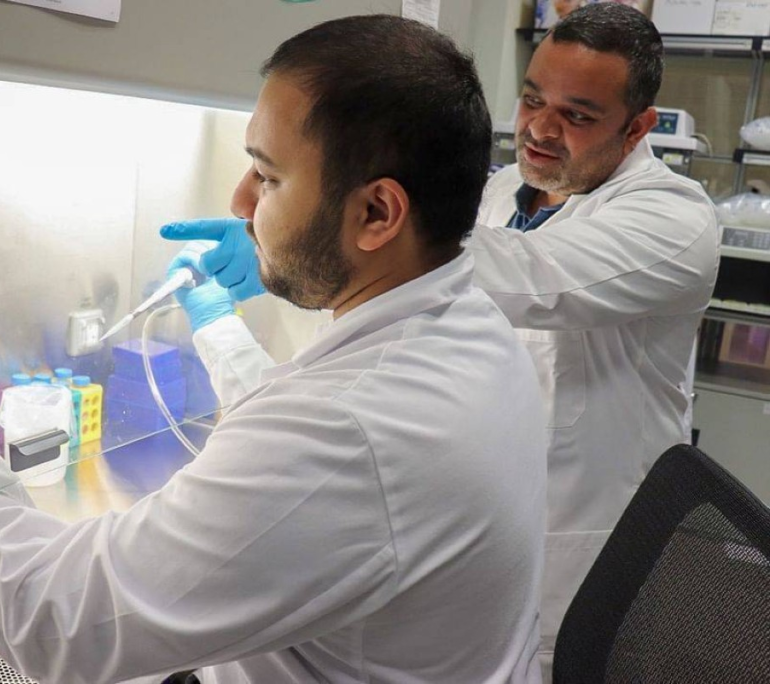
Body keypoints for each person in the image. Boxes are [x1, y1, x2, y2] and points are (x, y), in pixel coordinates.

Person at [0, 15, 548, 684]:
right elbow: (315, 446)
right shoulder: (475, 326)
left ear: (376, 214)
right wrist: (215, 321)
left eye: (268, 177)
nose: (240, 200)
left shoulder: (348, 433)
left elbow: (52, 618)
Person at [166, 5, 720, 678]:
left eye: (577, 115)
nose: (540, 129)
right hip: (474, 533)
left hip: (589, 549)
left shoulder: (676, 220)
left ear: (637, 127)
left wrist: (304, 236)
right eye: (532, 99)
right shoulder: (496, 194)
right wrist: (295, 246)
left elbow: (533, 277)